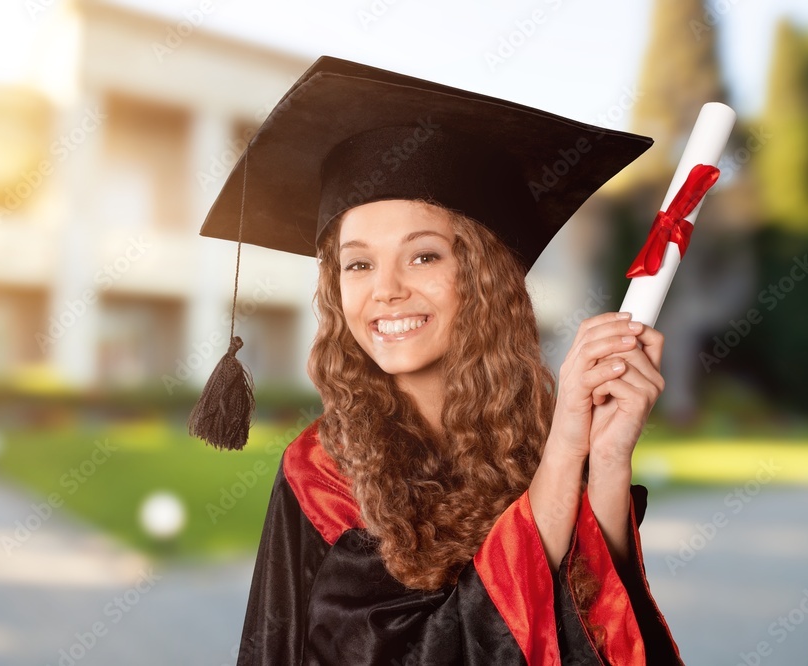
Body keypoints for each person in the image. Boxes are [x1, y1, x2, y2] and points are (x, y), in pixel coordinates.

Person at [193, 56, 682, 665]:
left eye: (423, 256)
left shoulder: (537, 440)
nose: (386, 289)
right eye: (358, 263)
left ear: (484, 279)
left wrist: (604, 459)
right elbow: (426, 650)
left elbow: (600, 623)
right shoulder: (322, 473)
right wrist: (565, 457)